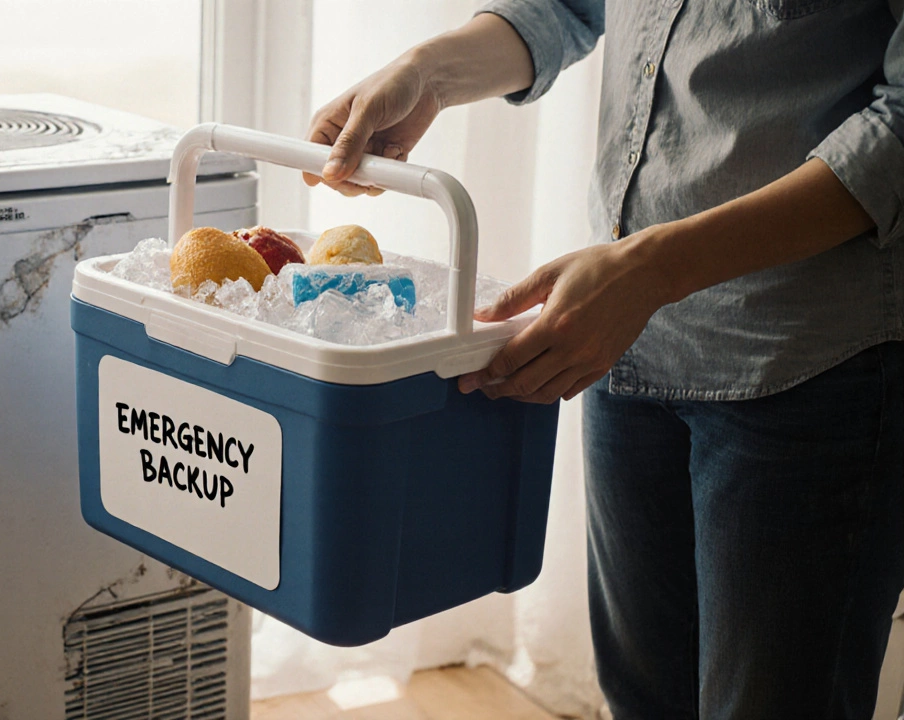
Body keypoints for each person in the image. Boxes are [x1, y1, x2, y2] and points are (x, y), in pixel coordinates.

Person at [305, 3, 904, 718]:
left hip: (808, 367)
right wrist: (426, 74)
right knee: (643, 699)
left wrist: (654, 269)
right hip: (627, 340)